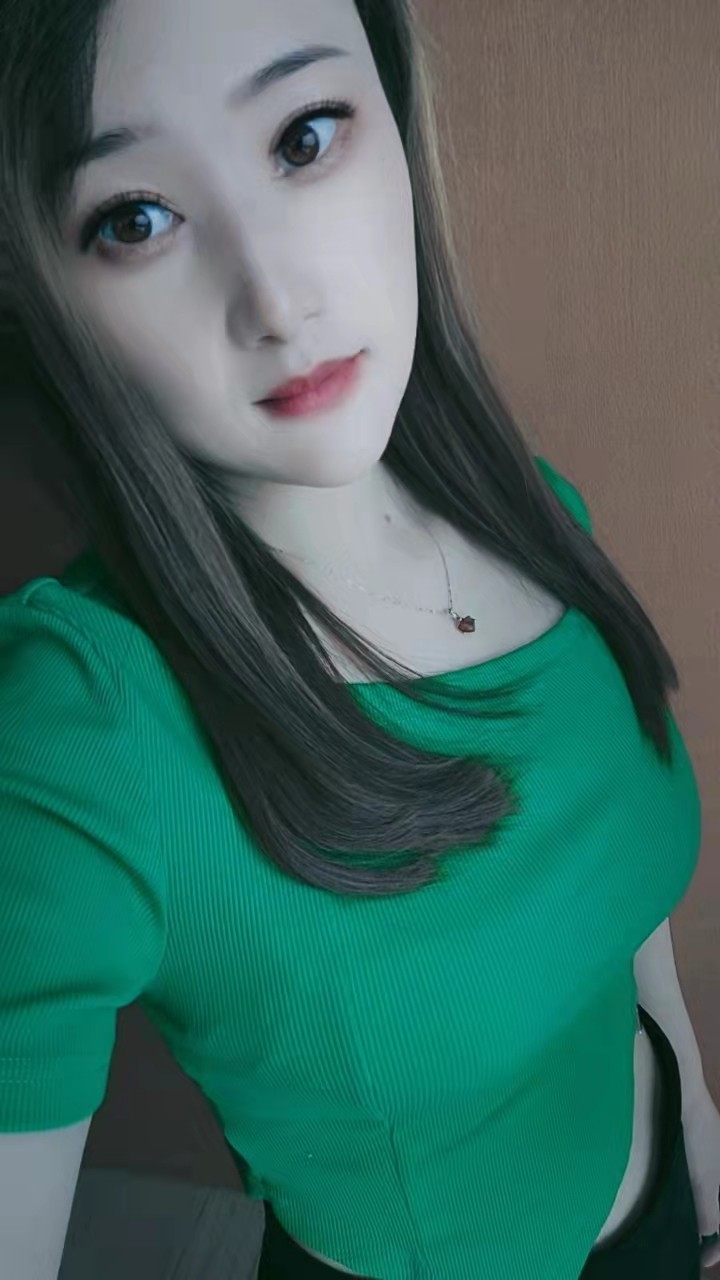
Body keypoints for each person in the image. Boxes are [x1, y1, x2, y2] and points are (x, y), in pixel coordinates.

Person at [0, 0, 713, 1276]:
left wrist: (694, 1107)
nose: (279, 299)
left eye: (304, 135)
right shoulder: (78, 736)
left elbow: (611, 900)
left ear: (394, 115)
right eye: (135, 219)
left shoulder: (532, 512)